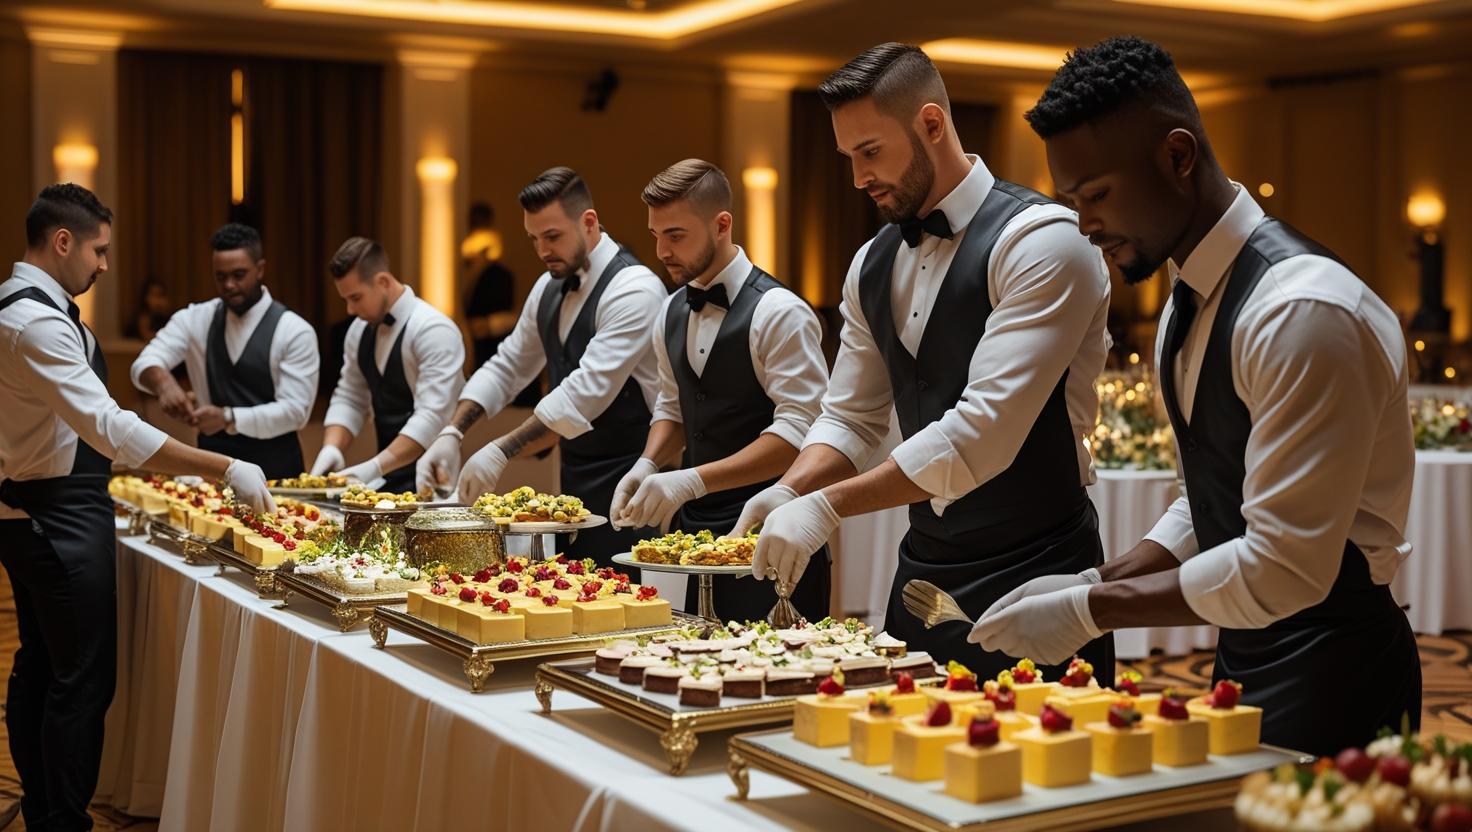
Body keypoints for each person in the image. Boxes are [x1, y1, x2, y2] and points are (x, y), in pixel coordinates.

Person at [971, 36, 1420, 756]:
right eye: (1070, 200)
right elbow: (1211, 495)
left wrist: (1094, 609)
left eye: (1096, 195)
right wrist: (1102, 575)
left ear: (1178, 157)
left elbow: (1283, 566)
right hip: (1242, 653)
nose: (1083, 226)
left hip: (1339, 666)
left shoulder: (1303, 311)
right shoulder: (1183, 303)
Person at [733, 43, 1115, 677]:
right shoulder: (870, 262)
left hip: (1038, 570)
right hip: (921, 571)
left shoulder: (1046, 241)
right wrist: (788, 488)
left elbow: (981, 436)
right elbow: (851, 418)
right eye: (847, 158)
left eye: (871, 152)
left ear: (932, 125)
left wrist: (826, 507)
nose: (858, 179)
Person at [0, 184, 273, 831]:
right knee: (81, 679)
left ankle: (45, 810)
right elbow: (111, 429)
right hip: (53, 514)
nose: (104, 264)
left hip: (43, 505)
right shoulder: (32, 319)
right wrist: (224, 465)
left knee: (42, 662)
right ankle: (62, 820)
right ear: (63, 241)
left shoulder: (33, 306)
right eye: (99, 250)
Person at [610, 159, 831, 621]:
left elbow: (800, 435)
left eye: (676, 235)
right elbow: (673, 407)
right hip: (695, 541)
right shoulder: (669, 311)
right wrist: (648, 461)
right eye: (655, 236)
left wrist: (693, 478)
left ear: (722, 224)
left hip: (774, 532)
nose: (662, 251)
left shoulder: (780, 313)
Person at [418, 167, 666, 564]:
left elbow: (582, 393)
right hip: (574, 476)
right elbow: (508, 365)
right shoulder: (549, 285)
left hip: (635, 479)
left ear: (588, 223)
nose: (542, 250)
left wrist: (501, 449)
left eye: (552, 237)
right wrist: (453, 431)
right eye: (534, 239)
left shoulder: (635, 289)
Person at [130, 223, 319, 479]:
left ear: (260, 269)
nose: (229, 285)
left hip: (277, 471)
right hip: (213, 467)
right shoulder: (196, 319)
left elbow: (295, 412)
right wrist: (164, 384)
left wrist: (228, 418)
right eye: (220, 276)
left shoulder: (294, 330)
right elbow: (144, 363)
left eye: (239, 275)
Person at [313, 237, 465, 492]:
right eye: (346, 300)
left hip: (434, 479)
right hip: (385, 477)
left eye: (356, 297)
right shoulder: (358, 330)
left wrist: (373, 467)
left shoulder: (434, 330)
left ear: (383, 281)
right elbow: (350, 396)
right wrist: (332, 447)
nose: (350, 309)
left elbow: (432, 417)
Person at [124, 276, 173, 342]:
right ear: (146, 297)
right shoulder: (141, 316)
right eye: (155, 295)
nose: (158, 300)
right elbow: (146, 336)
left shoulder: (166, 317)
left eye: (161, 295)